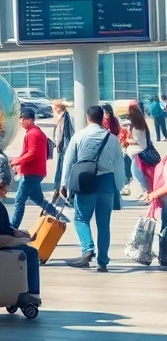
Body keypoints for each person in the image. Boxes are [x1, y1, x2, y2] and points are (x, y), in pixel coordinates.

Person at [60, 104, 127, 272]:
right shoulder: (112, 139)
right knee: (104, 224)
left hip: (85, 181)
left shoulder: (79, 136)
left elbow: (68, 161)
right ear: (102, 118)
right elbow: (119, 164)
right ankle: (102, 261)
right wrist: (118, 186)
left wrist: (64, 183)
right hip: (107, 181)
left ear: (87, 118)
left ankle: (88, 249)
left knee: (81, 218)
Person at [10, 108, 62, 229]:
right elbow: (29, 153)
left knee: (19, 200)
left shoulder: (33, 133)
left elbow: (32, 153)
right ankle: (57, 215)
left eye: (23, 119)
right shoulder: (37, 132)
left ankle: (13, 227)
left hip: (31, 173)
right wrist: (19, 163)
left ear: (30, 120)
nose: (21, 122)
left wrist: (17, 161)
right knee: (38, 199)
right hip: (36, 172)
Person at [124, 101, 154, 201]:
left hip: (138, 154)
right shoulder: (139, 126)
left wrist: (128, 140)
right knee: (139, 173)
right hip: (137, 154)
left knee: (137, 173)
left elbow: (140, 142)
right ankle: (146, 191)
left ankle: (147, 192)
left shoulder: (137, 128)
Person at [52, 100, 75, 190]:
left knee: (63, 168)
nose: (52, 111)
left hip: (64, 148)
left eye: (53, 109)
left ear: (58, 109)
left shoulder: (66, 119)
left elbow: (65, 135)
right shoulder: (62, 119)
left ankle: (63, 189)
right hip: (62, 148)